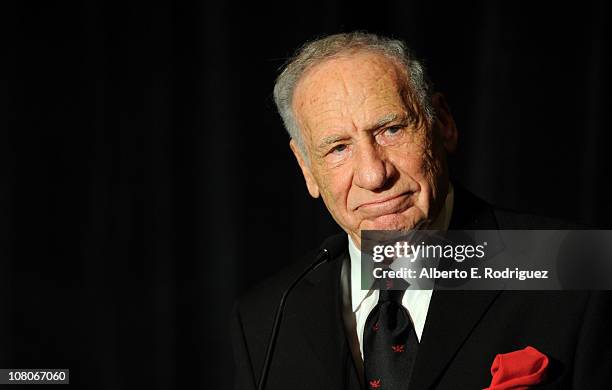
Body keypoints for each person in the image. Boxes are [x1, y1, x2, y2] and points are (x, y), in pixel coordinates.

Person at [231, 32, 612, 389]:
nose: (373, 174)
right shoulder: (266, 320)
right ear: (306, 168)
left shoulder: (575, 269)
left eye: (391, 129)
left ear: (443, 123)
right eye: (338, 148)